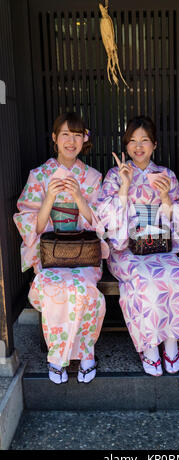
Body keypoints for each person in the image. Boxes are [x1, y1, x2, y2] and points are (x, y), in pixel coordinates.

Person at [14, 112, 109, 384]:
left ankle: (86, 353)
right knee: (57, 290)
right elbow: (30, 222)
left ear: (84, 140)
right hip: (51, 255)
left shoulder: (91, 177)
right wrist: (50, 199)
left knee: (85, 291)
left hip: (83, 254)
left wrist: (79, 198)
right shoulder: (39, 175)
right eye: (65, 134)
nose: (71, 141)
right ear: (54, 138)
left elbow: (98, 223)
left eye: (77, 135)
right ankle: (58, 356)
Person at [98, 116, 179, 376]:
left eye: (144, 141)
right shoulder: (115, 175)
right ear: (126, 145)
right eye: (132, 141)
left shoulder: (167, 176)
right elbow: (105, 217)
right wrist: (124, 188)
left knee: (176, 274)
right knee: (144, 279)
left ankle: (171, 343)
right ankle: (150, 347)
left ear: (155, 145)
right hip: (127, 249)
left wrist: (164, 197)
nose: (138, 146)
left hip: (159, 246)